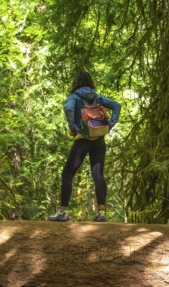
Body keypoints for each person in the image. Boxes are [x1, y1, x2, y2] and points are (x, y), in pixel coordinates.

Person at [49, 71, 121, 222]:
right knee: (98, 175)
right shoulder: (96, 97)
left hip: (82, 140)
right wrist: (110, 125)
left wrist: (73, 127)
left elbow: (68, 109)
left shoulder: (74, 97)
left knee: (68, 174)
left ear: (76, 82)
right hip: (99, 139)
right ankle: (101, 214)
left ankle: (62, 212)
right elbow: (116, 105)